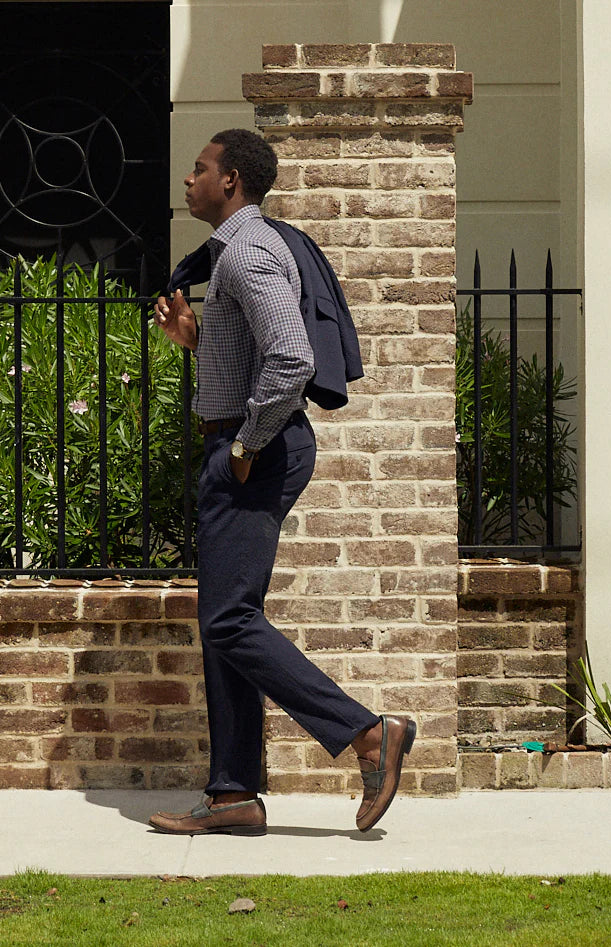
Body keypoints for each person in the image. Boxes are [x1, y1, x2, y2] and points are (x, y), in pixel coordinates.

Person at [149, 129, 415, 836]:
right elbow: (252, 360)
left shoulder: (249, 252)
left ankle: (367, 733)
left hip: (256, 451)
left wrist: (245, 444)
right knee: (224, 623)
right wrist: (196, 343)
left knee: (230, 619)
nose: (189, 178)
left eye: (200, 168)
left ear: (230, 180)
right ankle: (233, 793)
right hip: (248, 444)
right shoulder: (238, 254)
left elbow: (291, 360)